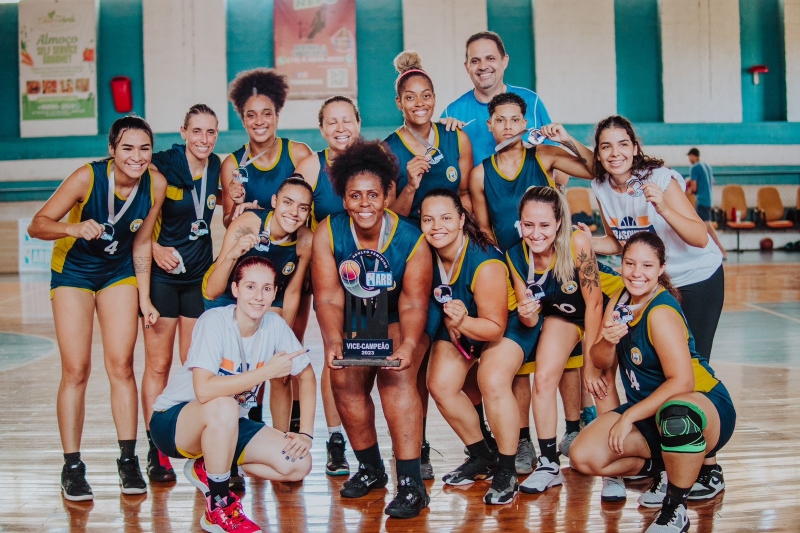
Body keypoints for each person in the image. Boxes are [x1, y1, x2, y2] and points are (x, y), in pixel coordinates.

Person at [28, 116, 167, 501]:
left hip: (118, 271)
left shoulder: (155, 184)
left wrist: (144, 298)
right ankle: (72, 467)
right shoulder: (86, 178)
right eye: (127, 148)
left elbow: (141, 244)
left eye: (144, 148)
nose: (136, 156)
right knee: (76, 369)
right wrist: (73, 228)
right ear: (112, 150)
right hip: (73, 271)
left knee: (121, 365)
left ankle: (128, 460)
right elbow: (37, 225)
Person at [569, 232, 735, 533]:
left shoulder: (660, 312)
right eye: (630, 263)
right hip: (651, 412)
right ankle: (662, 468)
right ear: (620, 265)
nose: (636, 272)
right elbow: (601, 360)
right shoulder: (620, 299)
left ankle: (675, 508)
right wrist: (607, 342)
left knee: (677, 417)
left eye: (647, 265)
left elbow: (682, 381)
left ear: (661, 268)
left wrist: (628, 416)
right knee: (583, 456)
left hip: (702, 404)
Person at [150, 256, 316, 533]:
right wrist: (266, 373)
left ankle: (209, 466)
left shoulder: (274, 326)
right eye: (250, 287)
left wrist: (306, 434)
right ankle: (219, 503)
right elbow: (203, 390)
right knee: (224, 404)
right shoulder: (214, 321)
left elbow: (307, 375)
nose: (259, 296)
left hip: (226, 425)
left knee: (298, 464)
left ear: (275, 292)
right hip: (175, 422)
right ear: (236, 289)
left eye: (267, 288)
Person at [312, 140, 433, 518]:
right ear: (344, 199)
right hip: (353, 320)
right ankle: (371, 468)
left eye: (372, 195)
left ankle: (411, 484)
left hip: (399, 318)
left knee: (395, 379)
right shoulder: (329, 232)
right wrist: (333, 340)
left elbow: (414, 303)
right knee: (344, 381)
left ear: (385, 196)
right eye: (355, 196)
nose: (364, 203)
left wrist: (409, 345)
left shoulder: (412, 239)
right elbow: (329, 298)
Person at [503, 187, 622, 496]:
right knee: (543, 378)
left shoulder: (577, 242)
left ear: (558, 223)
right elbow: (529, 319)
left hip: (603, 310)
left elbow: (594, 304)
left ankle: (614, 470)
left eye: (544, 225)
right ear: (520, 223)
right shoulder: (515, 254)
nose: (536, 233)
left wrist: (592, 366)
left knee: (602, 383)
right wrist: (528, 313)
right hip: (564, 316)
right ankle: (549, 463)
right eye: (528, 225)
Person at [141, 104, 221, 483]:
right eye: (197, 131)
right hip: (162, 278)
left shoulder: (217, 167)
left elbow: (221, 203)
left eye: (211, 132)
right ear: (183, 132)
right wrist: (155, 249)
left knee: (194, 364)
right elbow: (142, 224)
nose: (203, 139)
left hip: (198, 278)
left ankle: (194, 444)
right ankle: (156, 450)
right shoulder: (161, 168)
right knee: (158, 365)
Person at [203, 177, 313, 435]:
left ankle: (279, 439)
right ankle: (222, 435)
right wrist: (233, 254)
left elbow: (293, 290)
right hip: (227, 295)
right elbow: (212, 289)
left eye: (303, 207)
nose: (294, 213)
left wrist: (279, 340)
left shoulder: (305, 240)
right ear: (274, 202)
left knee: (282, 368)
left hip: (269, 298)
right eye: (287, 202)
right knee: (226, 369)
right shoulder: (247, 224)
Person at [419, 188, 508, 487]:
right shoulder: (425, 252)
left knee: (488, 382)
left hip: (500, 325)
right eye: (428, 220)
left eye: (445, 218)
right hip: (459, 322)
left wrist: (464, 321)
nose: (436, 226)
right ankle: (482, 454)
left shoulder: (485, 263)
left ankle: (510, 453)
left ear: (461, 219)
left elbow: (495, 326)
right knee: (440, 385)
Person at [294, 96, 362, 477]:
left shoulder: (374, 159)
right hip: (330, 276)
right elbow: (292, 211)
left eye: (346, 120)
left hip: (373, 275)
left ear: (358, 122)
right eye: (331, 122)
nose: (340, 128)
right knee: (335, 355)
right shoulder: (311, 166)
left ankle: (391, 442)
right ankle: (335, 439)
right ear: (321, 129)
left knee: (371, 357)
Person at [384, 51, 473, 221]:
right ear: (399, 102)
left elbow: (465, 194)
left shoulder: (457, 138)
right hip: (410, 242)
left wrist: (453, 227)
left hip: (450, 237)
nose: (420, 103)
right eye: (410, 97)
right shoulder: (386, 151)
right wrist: (410, 187)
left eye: (426, 96)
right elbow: (387, 219)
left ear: (434, 98)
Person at [440, 31, 552, 166]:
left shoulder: (531, 101)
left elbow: (558, 160)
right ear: (467, 67)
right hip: (475, 187)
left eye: (490, 58)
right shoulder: (452, 113)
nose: (483, 66)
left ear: (504, 61)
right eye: (475, 61)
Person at [220, 68, 312, 227]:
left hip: (292, 246)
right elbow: (228, 223)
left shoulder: (298, 154)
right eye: (251, 115)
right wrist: (238, 205)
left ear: (277, 117)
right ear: (243, 121)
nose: (259, 121)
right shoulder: (232, 165)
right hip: (253, 246)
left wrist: (264, 216)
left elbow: (311, 212)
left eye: (266, 114)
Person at [687, 148, 726, 259]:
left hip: (701, 200)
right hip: (709, 199)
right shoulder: (707, 166)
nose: (689, 159)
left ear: (693, 156)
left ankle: (721, 251)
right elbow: (712, 182)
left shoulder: (694, 168)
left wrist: (688, 189)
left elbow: (694, 188)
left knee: (707, 227)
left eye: (690, 156)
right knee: (704, 227)